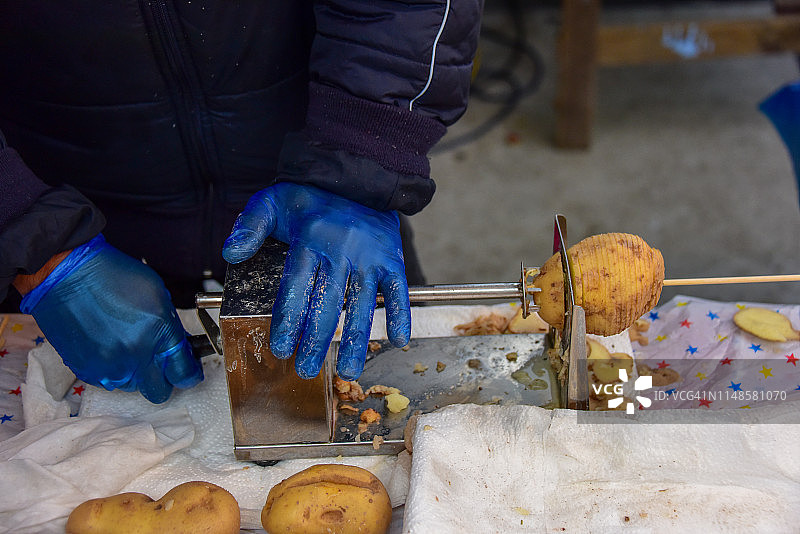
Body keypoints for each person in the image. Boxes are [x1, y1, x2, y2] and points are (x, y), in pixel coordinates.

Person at [0, 2, 483, 403]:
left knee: (393, 375)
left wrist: (359, 157)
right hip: (74, 221)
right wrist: (33, 239)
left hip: (324, 199)